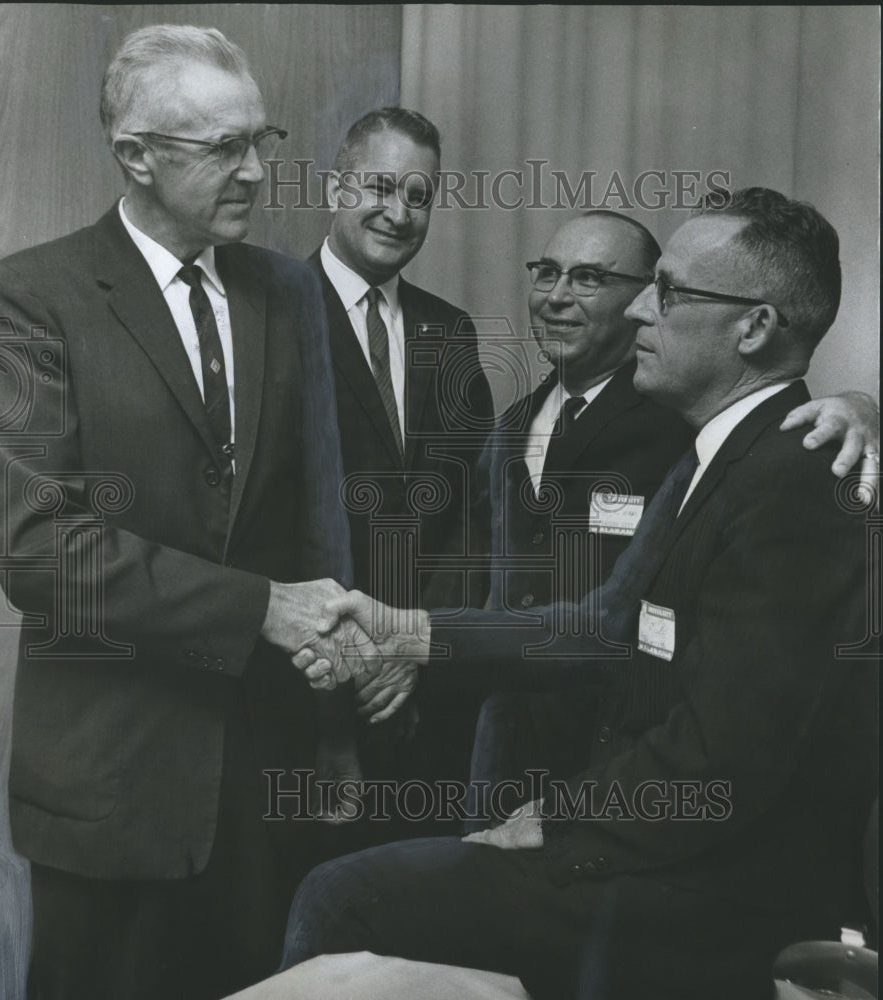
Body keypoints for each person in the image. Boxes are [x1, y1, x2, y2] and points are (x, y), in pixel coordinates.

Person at [282, 188, 879, 999]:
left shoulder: (796, 474)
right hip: (668, 855)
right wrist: (406, 631)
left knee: (344, 895)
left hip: (716, 893)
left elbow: (726, 757)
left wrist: (555, 821)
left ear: (755, 326)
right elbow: (603, 624)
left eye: (668, 292)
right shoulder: (724, 455)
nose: (638, 311)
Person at [0, 24, 370, 1000]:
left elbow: (317, 524)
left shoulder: (288, 293)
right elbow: (43, 554)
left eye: (263, 140)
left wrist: (333, 734)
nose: (254, 172)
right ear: (137, 156)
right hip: (110, 792)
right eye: (222, 149)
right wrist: (260, 609)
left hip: (266, 781)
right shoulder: (29, 300)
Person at [308, 108, 494, 816]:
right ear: (335, 189)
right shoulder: (268, 317)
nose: (399, 213)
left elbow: (475, 510)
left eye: (419, 196)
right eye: (379, 188)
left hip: (425, 690)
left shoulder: (449, 331)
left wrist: (417, 644)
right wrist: (352, 666)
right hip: (310, 697)